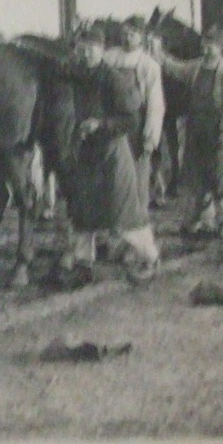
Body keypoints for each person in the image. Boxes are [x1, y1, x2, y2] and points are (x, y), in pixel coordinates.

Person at [58, 26, 159, 284]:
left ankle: (148, 258)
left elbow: (132, 120)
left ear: (102, 50)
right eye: (82, 49)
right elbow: (58, 68)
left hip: (112, 153)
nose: (86, 54)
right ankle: (83, 263)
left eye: (91, 49)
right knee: (83, 211)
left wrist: (101, 125)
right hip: (88, 153)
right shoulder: (78, 74)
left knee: (123, 212)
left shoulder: (114, 79)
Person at [160, 24, 223, 238]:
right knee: (195, 174)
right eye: (204, 44)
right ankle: (204, 219)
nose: (206, 49)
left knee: (220, 176)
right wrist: (158, 53)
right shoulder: (196, 67)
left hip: (217, 130)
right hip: (196, 128)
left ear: (221, 47)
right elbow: (175, 68)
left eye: (211, 45)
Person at [100, 19, 167, 213]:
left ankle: (137, 224)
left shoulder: (148, 65)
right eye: (125, 33)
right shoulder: (109, 57)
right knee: (113, 177)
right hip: (112, 124)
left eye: (132, 34)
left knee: (137, 178)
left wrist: (150, 137)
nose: (127, 38)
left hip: (136, 128)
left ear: (142, 36)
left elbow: (155, 104)